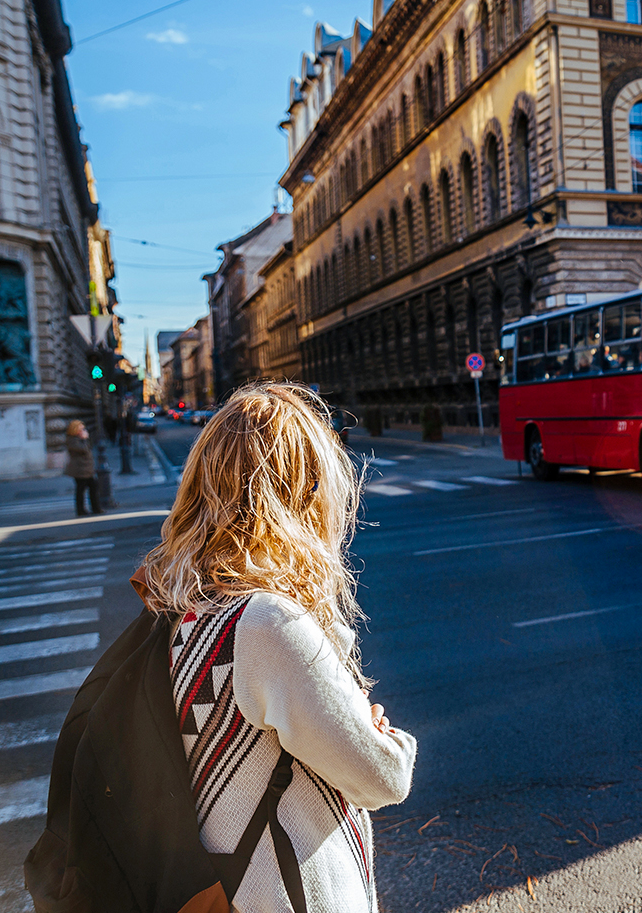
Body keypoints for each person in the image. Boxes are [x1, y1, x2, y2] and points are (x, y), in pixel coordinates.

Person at [139, 383, 416, 912]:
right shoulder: (266, 622)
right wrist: (384, 735)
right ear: (302, 493)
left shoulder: (183, 610)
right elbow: (383, 777)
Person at [64, 420, 101, 516]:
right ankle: (81, 510)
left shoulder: (78, 439)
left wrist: (85, 439)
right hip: (80, 469)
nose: (83, 431)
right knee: (81, 490)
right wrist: (84, 439)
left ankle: (96, 508)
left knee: (93, 487)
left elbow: (89, 447)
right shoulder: (72, 440)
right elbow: (83, 449)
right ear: (75, 430)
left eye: (83, 429)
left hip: (86, 469)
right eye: (81, 429)